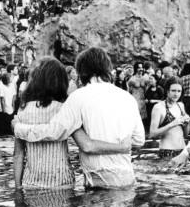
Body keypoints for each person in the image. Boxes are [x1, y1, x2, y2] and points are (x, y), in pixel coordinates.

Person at [13, 47, 142, 189]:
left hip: (97, 181)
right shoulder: (127, 98)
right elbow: (138, 140)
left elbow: (53, 132)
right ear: (107, 67)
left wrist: (18, 128)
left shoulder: (78, 97)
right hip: (127, 178)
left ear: (82, 71)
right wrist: (121, 147)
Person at [148, 77, 189, 158]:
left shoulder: (181, 105)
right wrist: (172, 124)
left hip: (182, 150)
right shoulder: (159, 107)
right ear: (167, 91)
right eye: (173, 90)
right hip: (167, 151)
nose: (176, 94)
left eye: (179, 91)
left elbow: (186, 134)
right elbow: (152, 134)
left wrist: (188, 122)